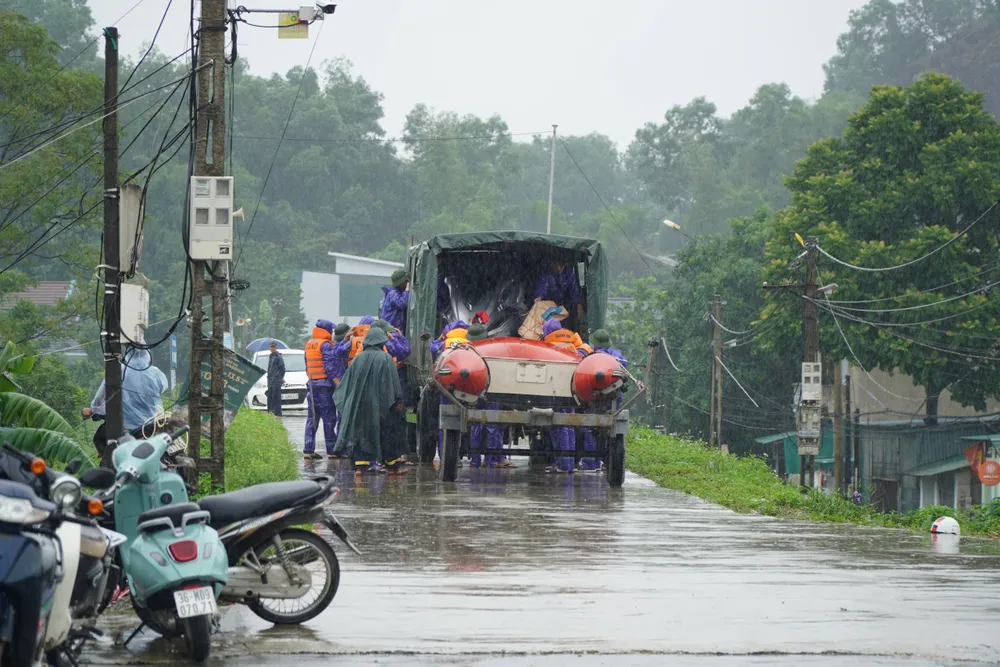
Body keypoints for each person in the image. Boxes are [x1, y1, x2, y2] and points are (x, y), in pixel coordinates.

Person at [333, 327, 406, 474]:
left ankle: (360, 466)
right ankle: (392, 465)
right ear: (381, 342)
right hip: (382, 405)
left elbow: (347, 383)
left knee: (361, 435)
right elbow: (393, 381)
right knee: (386, 433)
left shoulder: (358, 358)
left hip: (360, 405)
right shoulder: (385, 358)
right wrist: (398, 399)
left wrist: (349, 403)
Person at [82, 346, 168, 467]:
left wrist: (93, 410)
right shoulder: (156, 373)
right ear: (148, 357)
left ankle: (110, 470)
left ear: (127, 356)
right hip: (152, 426)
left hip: (125, 429)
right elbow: (163, 389)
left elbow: (99, 400)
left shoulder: (118, 371)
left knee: (101, 439)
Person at [580, 329, 628, 471]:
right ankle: (607, 462)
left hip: (591, 398)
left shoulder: (588, 354)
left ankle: (590, 464)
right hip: (612, 399)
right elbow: (624, 367)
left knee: (589, 430)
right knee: (608, 432)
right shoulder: (617, 356)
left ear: (594, 342)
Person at [465, 324, 512, 469]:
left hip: (474, 393)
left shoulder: (467, 350)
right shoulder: (491, 349)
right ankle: (491, 461)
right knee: (492, 426)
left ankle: (475, 461)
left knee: (476, 426)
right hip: (491, 392)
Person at [374, 319, 412, 469]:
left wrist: (399, 338)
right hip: (388, 387)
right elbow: (403, 352)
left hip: (390, 385)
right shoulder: (385, 344)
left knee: (391, 425)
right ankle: (387, 459)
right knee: (389, 425)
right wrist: (397, 339)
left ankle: (388, 458)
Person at [303, 319, 339, 460]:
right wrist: (338, 383)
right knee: (329, 418)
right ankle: (332, 450)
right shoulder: (325, 345)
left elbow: (307, 364)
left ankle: (308, 449)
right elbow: (330, 367)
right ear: (327, 330)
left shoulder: (309, 344)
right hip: (324, 386)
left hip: (312, 385)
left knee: (312, 418)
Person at [265, 341, 286, 416]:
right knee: (270, 397)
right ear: (269, 348)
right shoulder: (271, 356)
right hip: (270, 381)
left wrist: (279, 378)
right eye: (271, 347)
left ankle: (277, 414)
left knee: (276, 398)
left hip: (276, 381)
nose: (272, 348)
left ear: (276, 347)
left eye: (274, 347)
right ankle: (270, 412)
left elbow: (282, 369)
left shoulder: (278, 357)